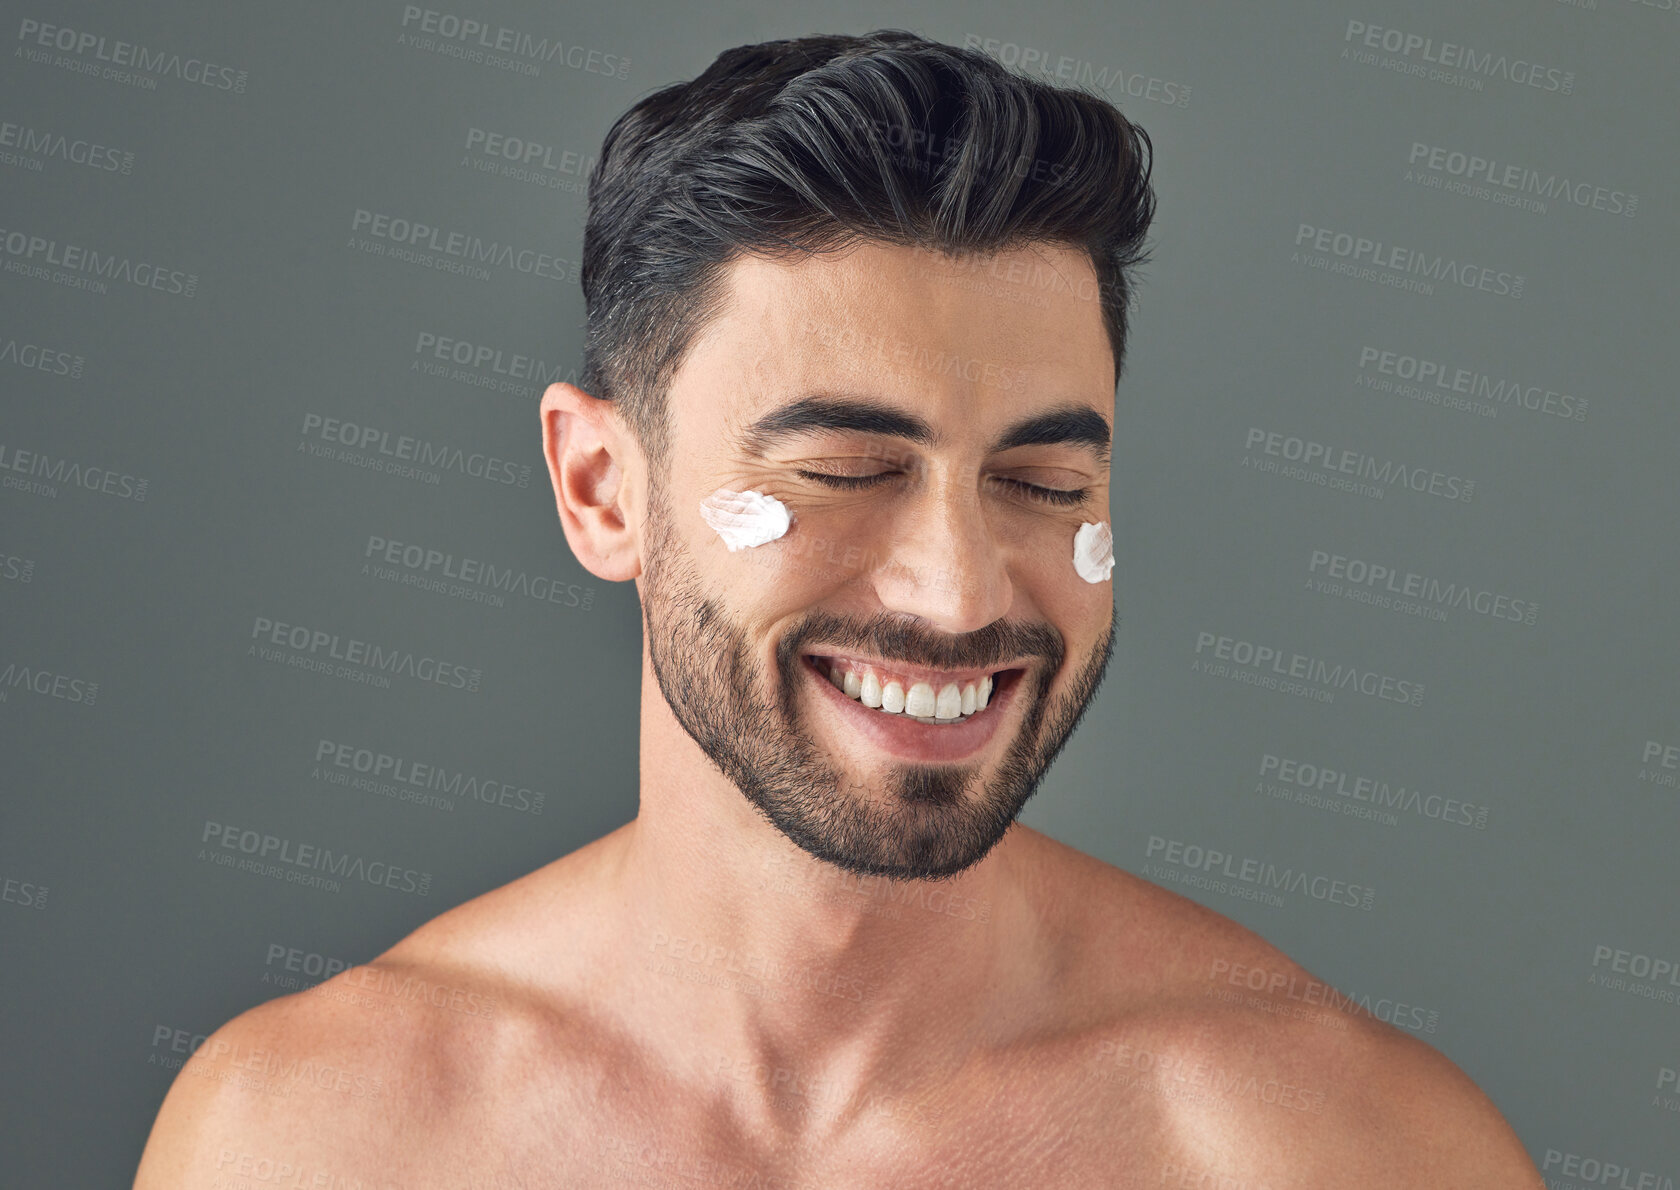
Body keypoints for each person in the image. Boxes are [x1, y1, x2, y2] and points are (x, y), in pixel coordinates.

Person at [136, 30, 1544, 1187]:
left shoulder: (1343, 1149)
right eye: (845, 472)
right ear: (600, 489)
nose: (960, 589)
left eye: (1044, 481)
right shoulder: (312, 1140)